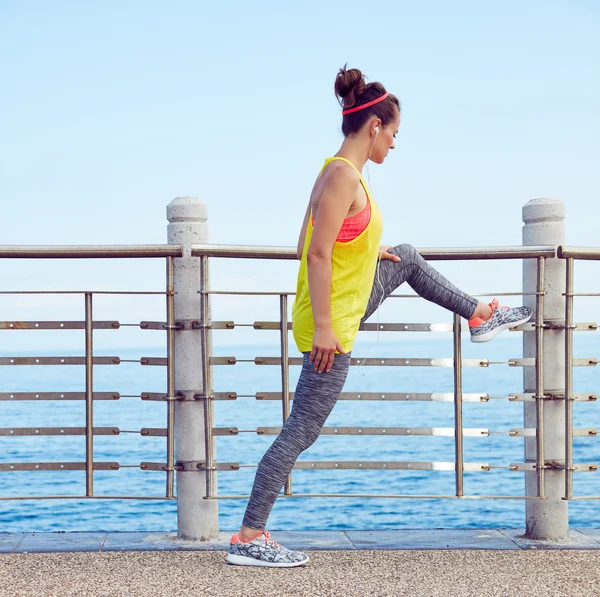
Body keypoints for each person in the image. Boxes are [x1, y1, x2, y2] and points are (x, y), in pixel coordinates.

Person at [226, 65, 532, 567]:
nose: (394, 143)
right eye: (393, 133)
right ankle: (249, 537)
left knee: (406, 255)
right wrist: (325, 326)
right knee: (300, 431)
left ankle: (479, 315)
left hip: (341, 307)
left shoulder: (336, 172)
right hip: (330, 323)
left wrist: (370, 251)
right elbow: (315, 253)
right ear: (374, 127)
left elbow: (318, 242)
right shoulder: (344, 177)